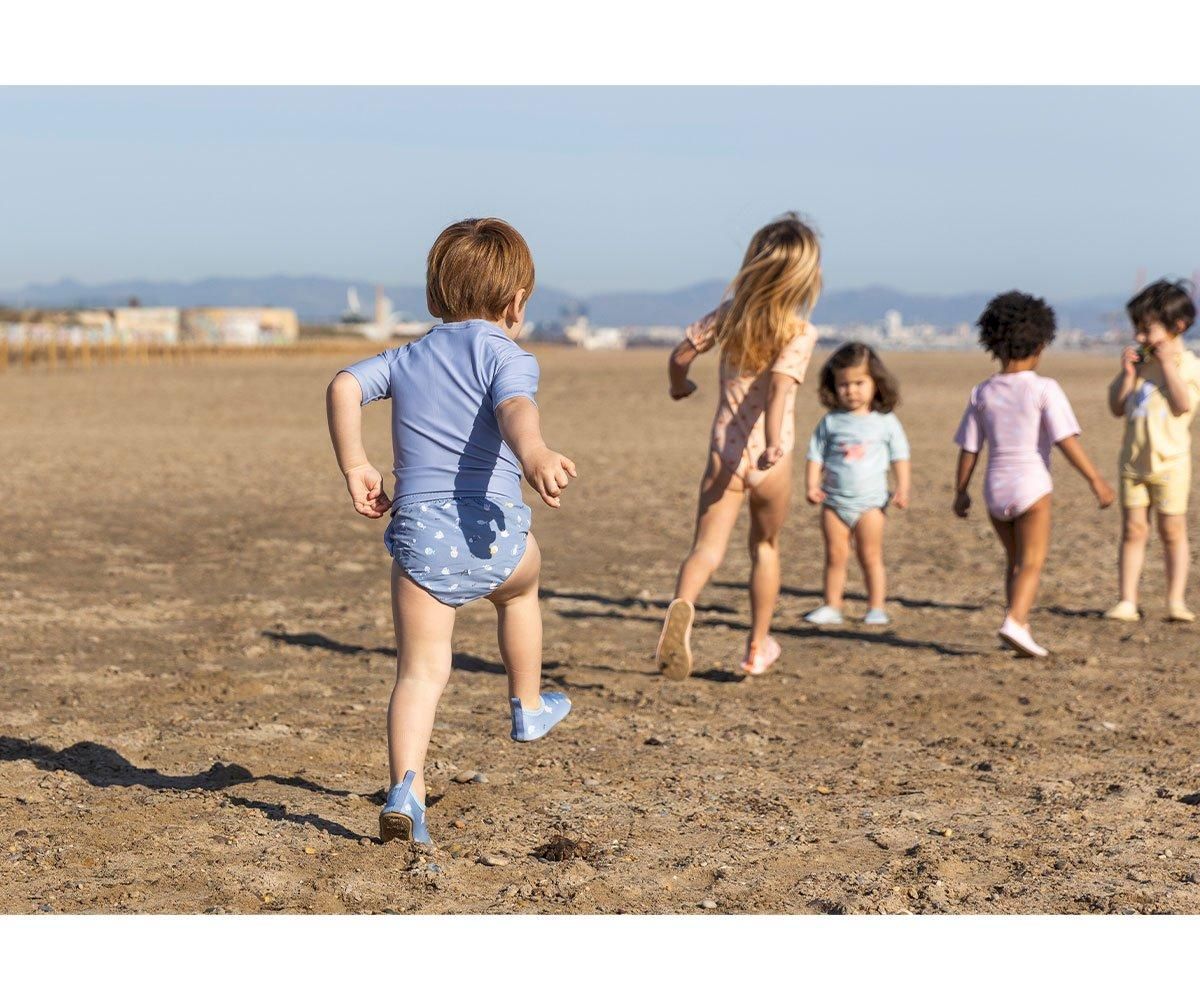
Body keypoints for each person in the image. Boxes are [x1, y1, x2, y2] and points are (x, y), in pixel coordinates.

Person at [325, 218, 577, 844]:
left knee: (419, 673)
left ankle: (405, 791)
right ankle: (527, 704)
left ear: (436, 295)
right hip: (494, 537)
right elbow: (515, 409)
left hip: (420, 542)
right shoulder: (507, 356)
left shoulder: (407, 357)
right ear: (517, 302)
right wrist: (537, 454)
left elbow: (344, 384)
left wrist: (357, 465)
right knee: (520, 593)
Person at [655, 213, 820, 679]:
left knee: (705, 550)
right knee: (765, 547)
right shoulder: (800, 332)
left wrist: (678, 386)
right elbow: (779, 392)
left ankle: (683, 606)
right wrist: (770, 446)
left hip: (723, 454)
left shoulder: (729, 316)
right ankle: (756, 646)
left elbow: (680, 356)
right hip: (772, 458)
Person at [952, 290, 1115, 658]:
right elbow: (1065, 440)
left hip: (995, 488)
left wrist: (960, 491)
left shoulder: (982, 391)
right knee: (1032, 561)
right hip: (1031, 485)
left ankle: (1020, 626)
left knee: (1014, 560)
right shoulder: (1045, 389)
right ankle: (1014, 620)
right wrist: (1095, 480)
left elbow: (970, 448)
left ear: (992, 342)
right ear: (1042, 342)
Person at [1105, 279, 1200, 623]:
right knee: (1133, 530)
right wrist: (1127, 374)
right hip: (1133, 463)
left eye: (1147, 330)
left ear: (1178, 327)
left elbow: (1182, 405)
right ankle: (1127, 599)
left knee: (1172, 531)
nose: (1140, 338)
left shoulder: (1189, 366)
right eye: (1137, 330)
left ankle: (1176, 600)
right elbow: (1116, 406)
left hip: (1172, 464)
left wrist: (1169, 366)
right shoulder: (1140, 368)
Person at [803, 342, 911, 627]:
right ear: (833, 387)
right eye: (844, 384)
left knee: (870, 556)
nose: (851, 390)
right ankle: (832, 605)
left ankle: (876, 606)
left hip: (870, 504)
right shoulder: (830, 422)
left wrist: (902, 487)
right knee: (835, 556)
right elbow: (815, 454)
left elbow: (901, 455)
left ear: (876, 382)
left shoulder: (885, 421)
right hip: (834, 502)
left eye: (859, 383)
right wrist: (812, 485)